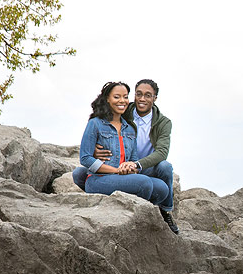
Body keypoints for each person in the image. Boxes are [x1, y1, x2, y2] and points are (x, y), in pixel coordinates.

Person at [73, 77, 178, 233]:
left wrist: (132, 166)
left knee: (162, 188)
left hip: (132, 171)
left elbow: (149, 155)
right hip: (101, 176)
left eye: (124, 97)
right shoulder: (96, 123)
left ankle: (164, 211)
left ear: (155, 98)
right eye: (117, 97)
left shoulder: (130, 127)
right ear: (107, 99)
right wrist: (107, 162)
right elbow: (85, 158)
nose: (122, 101)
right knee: (144, 183)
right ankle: (136, 221)